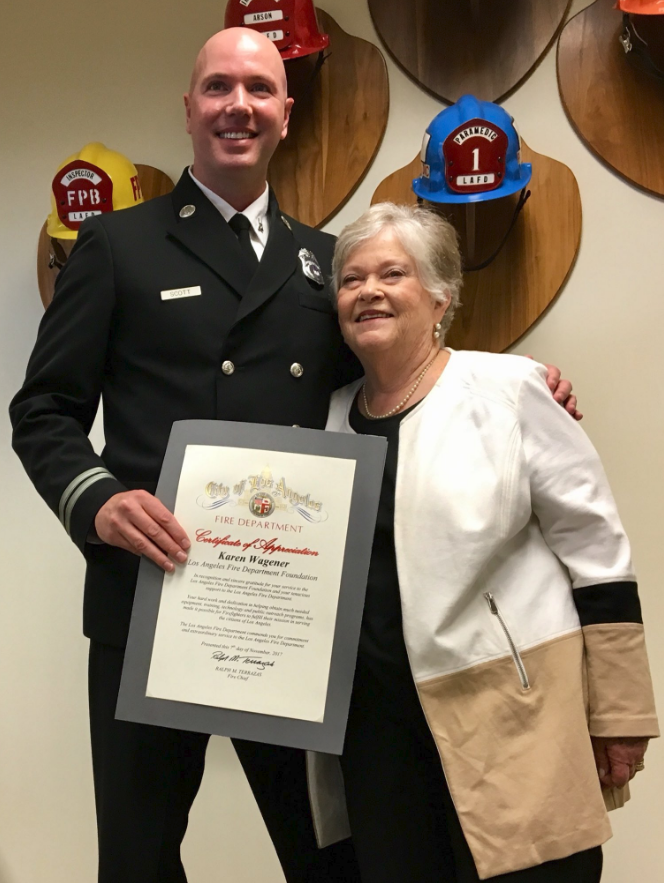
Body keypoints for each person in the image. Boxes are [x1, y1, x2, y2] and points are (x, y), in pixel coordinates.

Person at [10, 27, 576, 883]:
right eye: (218, 88)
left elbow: (402, 376)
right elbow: (43, 410)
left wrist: (517, 384)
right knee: (137, 855)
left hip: (288, 612)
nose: (238, 105)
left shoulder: (327, 264)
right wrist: (96, 500)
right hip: (147, 607)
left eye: (259, 90)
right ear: (191, 107)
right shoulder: (117, 247)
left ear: (285, 112)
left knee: (326, 855)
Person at [322, 203, 659, 883]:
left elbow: (597, 553)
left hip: (511, 720)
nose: (369, 291)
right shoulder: (324, 421)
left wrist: (621, 711)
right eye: (352, 279)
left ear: (441, 295)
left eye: (393, 273)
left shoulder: (510, 391)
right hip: (376, 737)